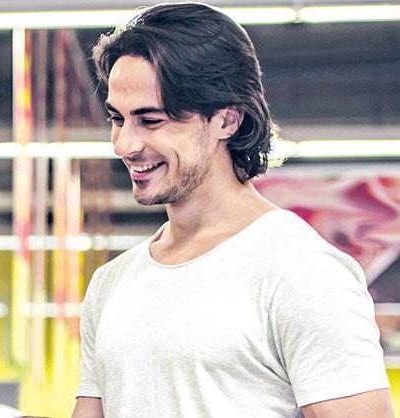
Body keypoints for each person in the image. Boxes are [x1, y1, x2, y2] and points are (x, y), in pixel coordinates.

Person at [72, 3, 393, 418]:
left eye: (150, 121)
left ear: (227, 121)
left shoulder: (302, 272)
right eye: (118, 119)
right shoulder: (111, 283)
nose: (124, 145)